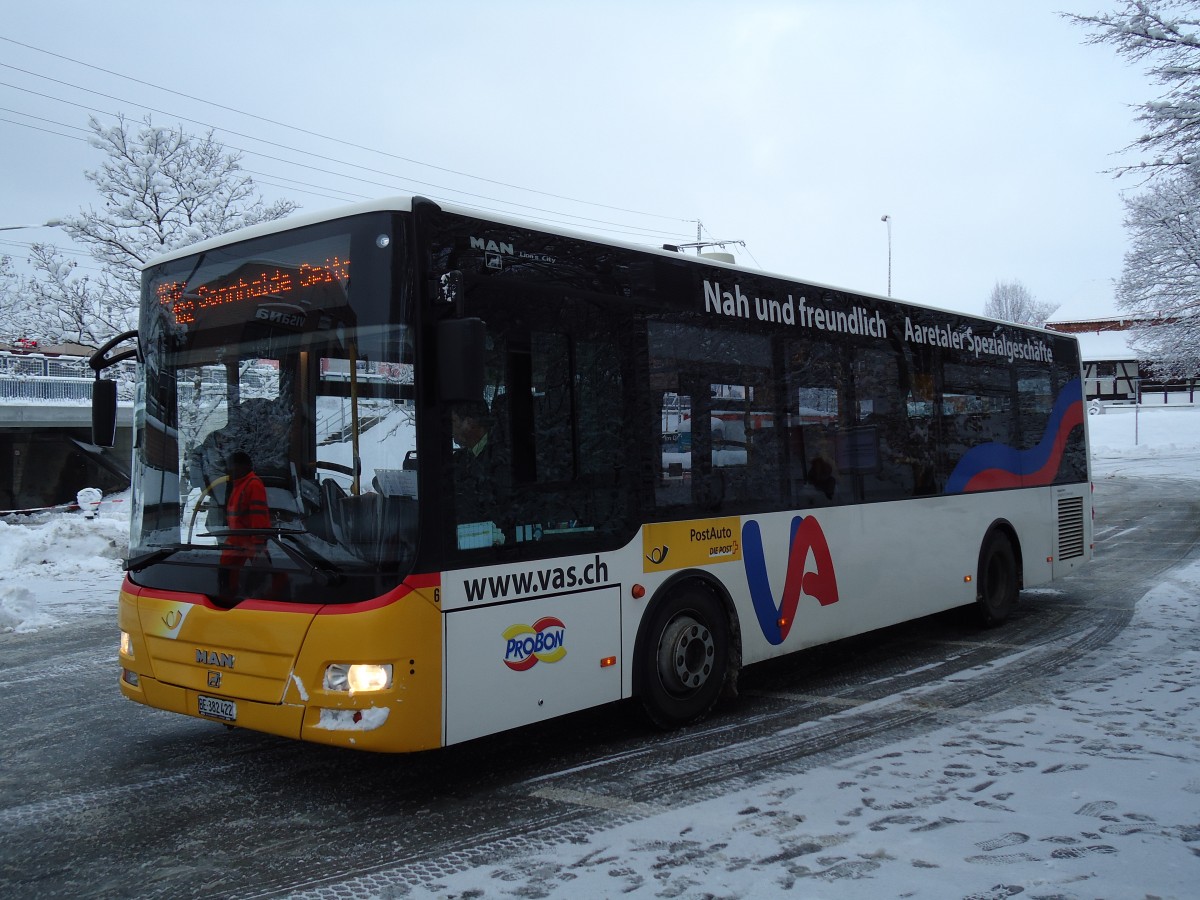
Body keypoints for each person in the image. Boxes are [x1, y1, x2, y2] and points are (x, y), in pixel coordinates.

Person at [450, 398, 512, 544]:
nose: (450, 428)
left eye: (453, 421)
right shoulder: (461, 458)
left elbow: (499, 517)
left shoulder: (500, 462)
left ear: (469, 423)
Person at [219, 451, 272, 596]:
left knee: (262, 580)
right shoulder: (238, 485)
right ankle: (229, 597)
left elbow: (259, 516)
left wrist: (259, 544)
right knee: (225, 575)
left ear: (242, 467)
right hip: (236, 542)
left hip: (250, 543)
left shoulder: (253, 484)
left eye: (231, 466)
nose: (228, 470)